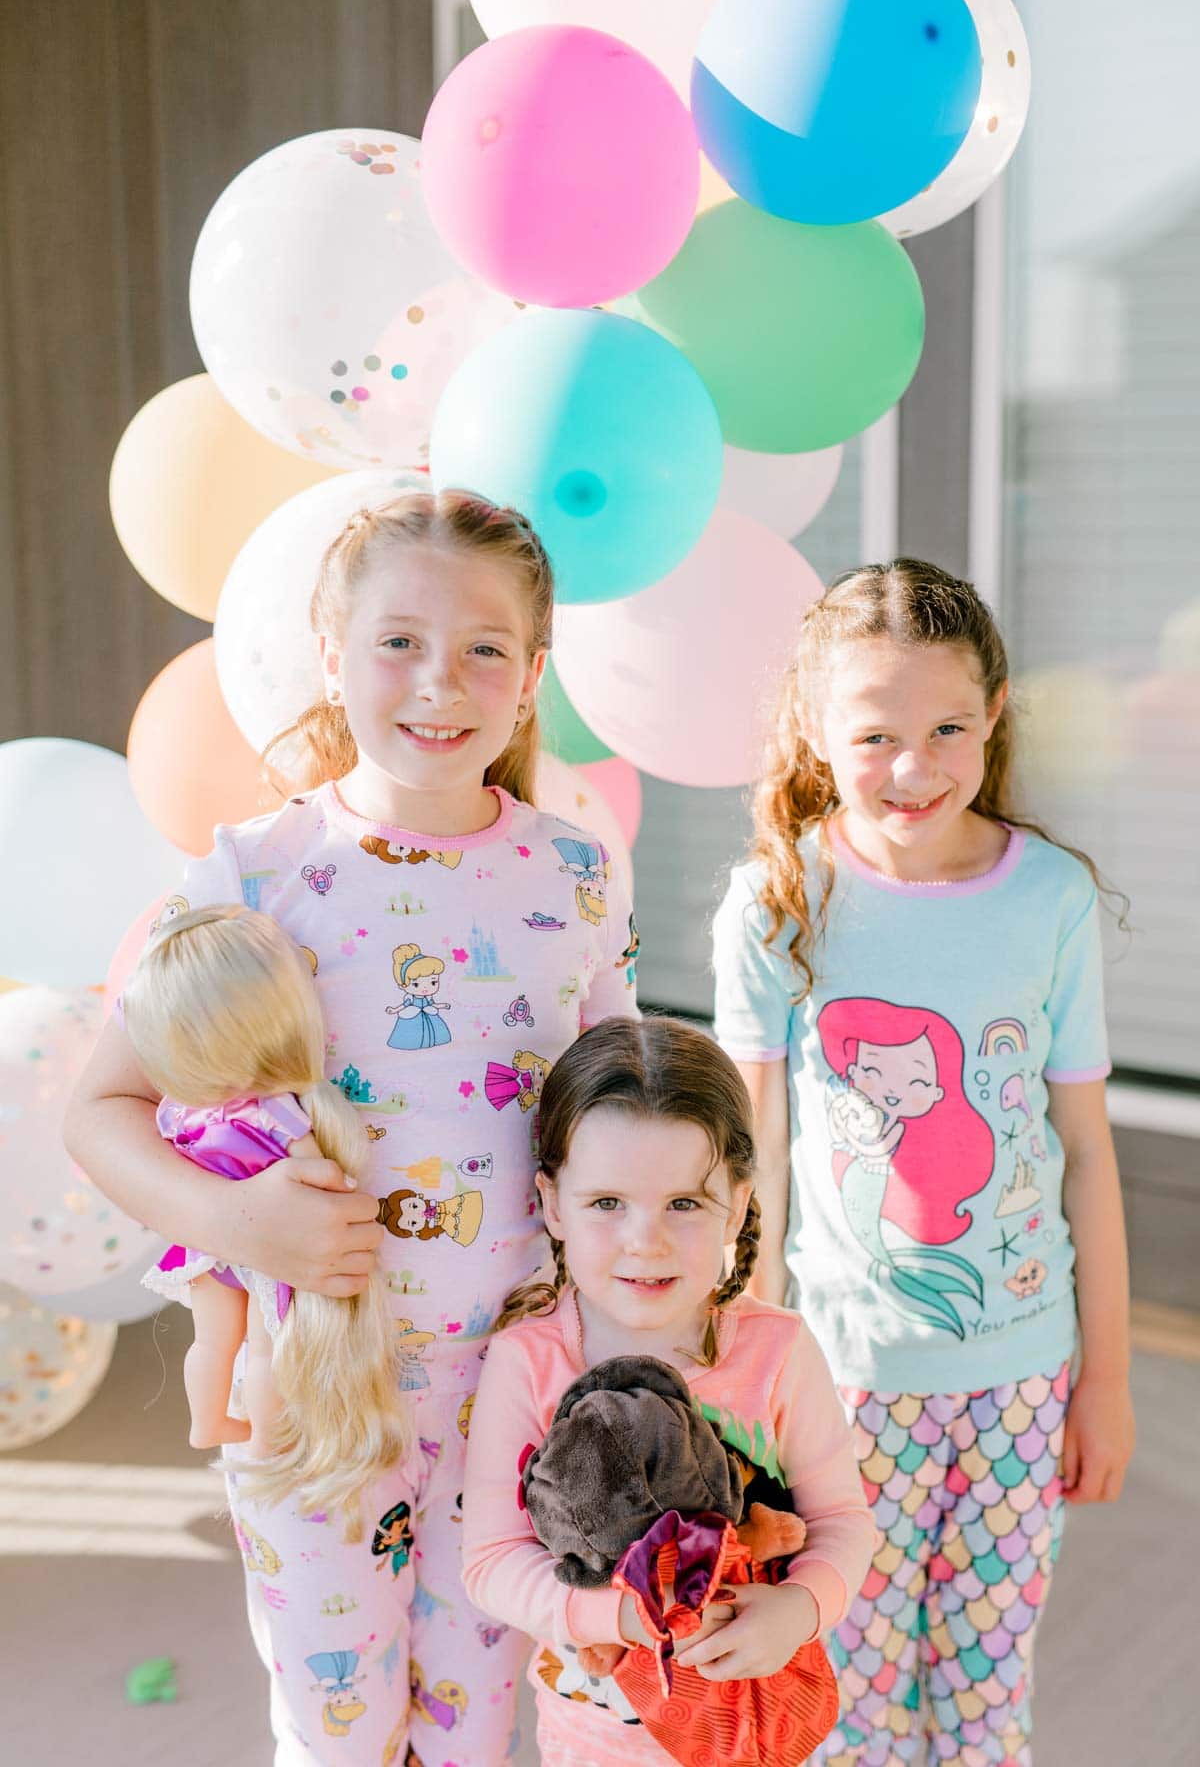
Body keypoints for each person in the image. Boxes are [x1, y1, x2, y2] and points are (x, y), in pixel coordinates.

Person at [64, 490, 638, 1767]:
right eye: (398, 641)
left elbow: (616, 1125)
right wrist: (233, 1219)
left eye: (486, 647)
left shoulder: (575, 875)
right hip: (322, 1394)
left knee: (474, 1727)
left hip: (519, 1397)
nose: (442, 679)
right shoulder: (256, 870)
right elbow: (98, 1110)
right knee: (338, 1729)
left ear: (533, 673)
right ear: (331, 653)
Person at [711, 560, 1136, 1766]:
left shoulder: (1047, 897)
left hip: (1024, 1381)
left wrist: (1102, 1381)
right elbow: (753, 1168)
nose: (915, 766)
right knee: (850, 1697)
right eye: (877, 735)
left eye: (948, 727)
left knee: (988, 1701)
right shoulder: (778, 900)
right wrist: (747, 1397)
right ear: (814, 729)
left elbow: (1086, 1156)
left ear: (995, 713)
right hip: (846, 1387)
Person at [460, 1015, 876, 1767]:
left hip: (757, 1730)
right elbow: (490, 1562)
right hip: (592, 1745)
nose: (644, 1240)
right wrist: (619, 1615)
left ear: (740, 1201)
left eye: (683, 1204)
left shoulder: (778, 1352)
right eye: (606, 1203)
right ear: (553, 1203)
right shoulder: (528, 1361)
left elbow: (844, 1522)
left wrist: (799, 1608)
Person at [122, 902, 409, 1531]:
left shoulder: (182, 1111)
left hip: (204, 1246)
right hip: (271, 1247)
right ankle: (265, 1434)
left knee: (214, 1340)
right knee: (264, 1347)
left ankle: (209, 1420)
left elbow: (162, 1143)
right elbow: (319, 1172)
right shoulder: (273, 1112)